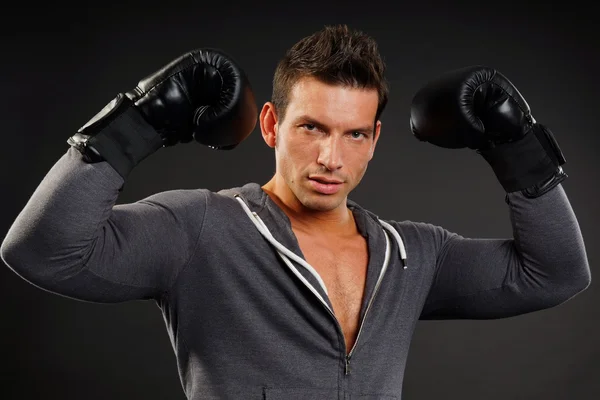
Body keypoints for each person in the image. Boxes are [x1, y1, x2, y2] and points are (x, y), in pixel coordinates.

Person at [1, 24, 591, 399]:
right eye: (312, 127)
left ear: (376, 140)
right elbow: (41, 251)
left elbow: (556, 273)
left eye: (355, 135)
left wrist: (520, 149)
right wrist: (135, 124)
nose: (332, 157)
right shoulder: (202, 228)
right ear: (270, 126)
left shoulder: (412, 254)